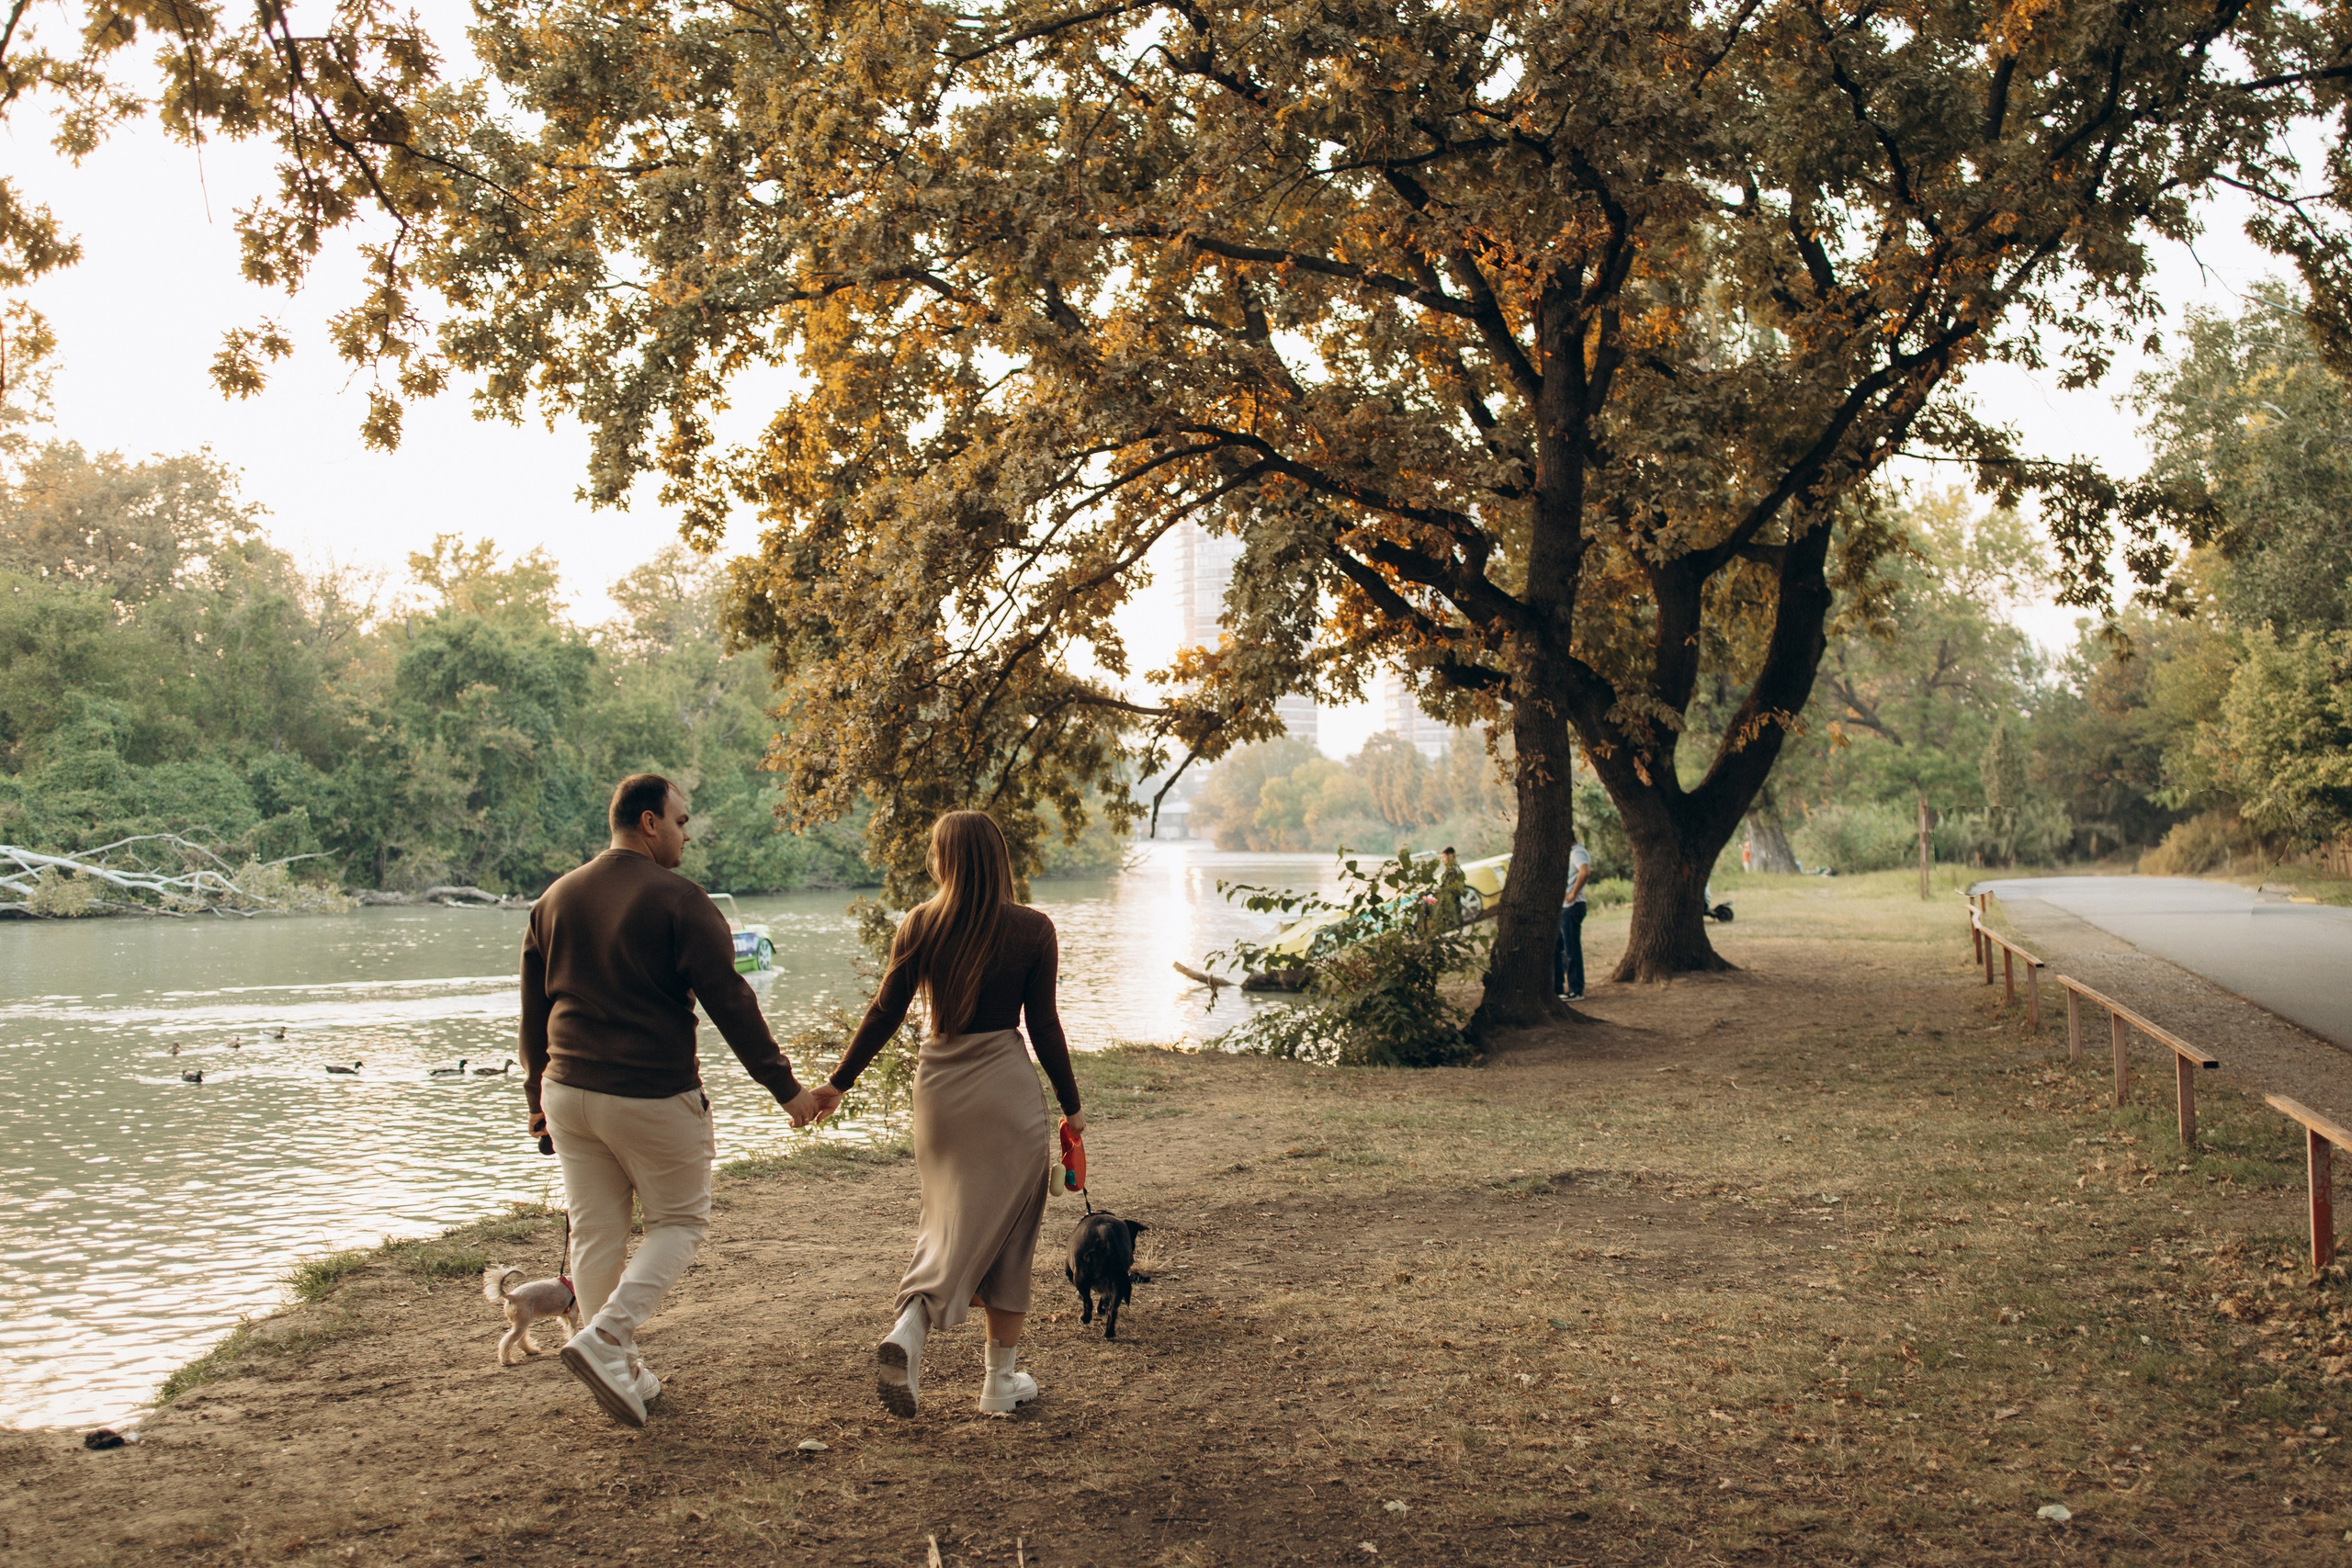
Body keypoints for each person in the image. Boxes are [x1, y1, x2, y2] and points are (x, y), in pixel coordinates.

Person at [521, 773, 821, 1428]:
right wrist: (788, 1091)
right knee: (679, 1223)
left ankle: (623, 1372)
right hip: (648, 1093)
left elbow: (533, 1014)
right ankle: (606, 1338)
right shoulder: (681, 900)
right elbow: (732, 1002)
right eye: (681, 822)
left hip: (567, 1092)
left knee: (596, 1233)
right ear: (649, 822)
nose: (687, 834)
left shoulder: (553, 898)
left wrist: (535, 1098)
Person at [809, 810, 1083, 1418]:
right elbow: (1044, 1025)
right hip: (1005, 1093)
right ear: (999, 858)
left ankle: (915, 1328)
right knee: (1011, 1232)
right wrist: (1072, 1106)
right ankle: (995, 1381)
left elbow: (885, 1012)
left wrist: (838, 1082)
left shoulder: (920, 923)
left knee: (945, 1222)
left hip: (939, 1091)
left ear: (944, 860)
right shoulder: (1033, 928)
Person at [1555, 835, 1593, 1000]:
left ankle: (1576, 990)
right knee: (1559, 948)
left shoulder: (1577, 852)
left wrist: (1572, 894)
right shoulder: (1568, 853)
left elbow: (1585, 872)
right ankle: (1557, 988)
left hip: (1572, 906)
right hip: (1564, 908)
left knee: (1571, 949)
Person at [1433, 845, 1467, 929]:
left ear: (1450, 856)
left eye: (1444, 857)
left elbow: (1452, 885)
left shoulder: (1454, 870)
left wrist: (1442, 890)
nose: (1442, 860)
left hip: (1452, 897)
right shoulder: (1450, 869)